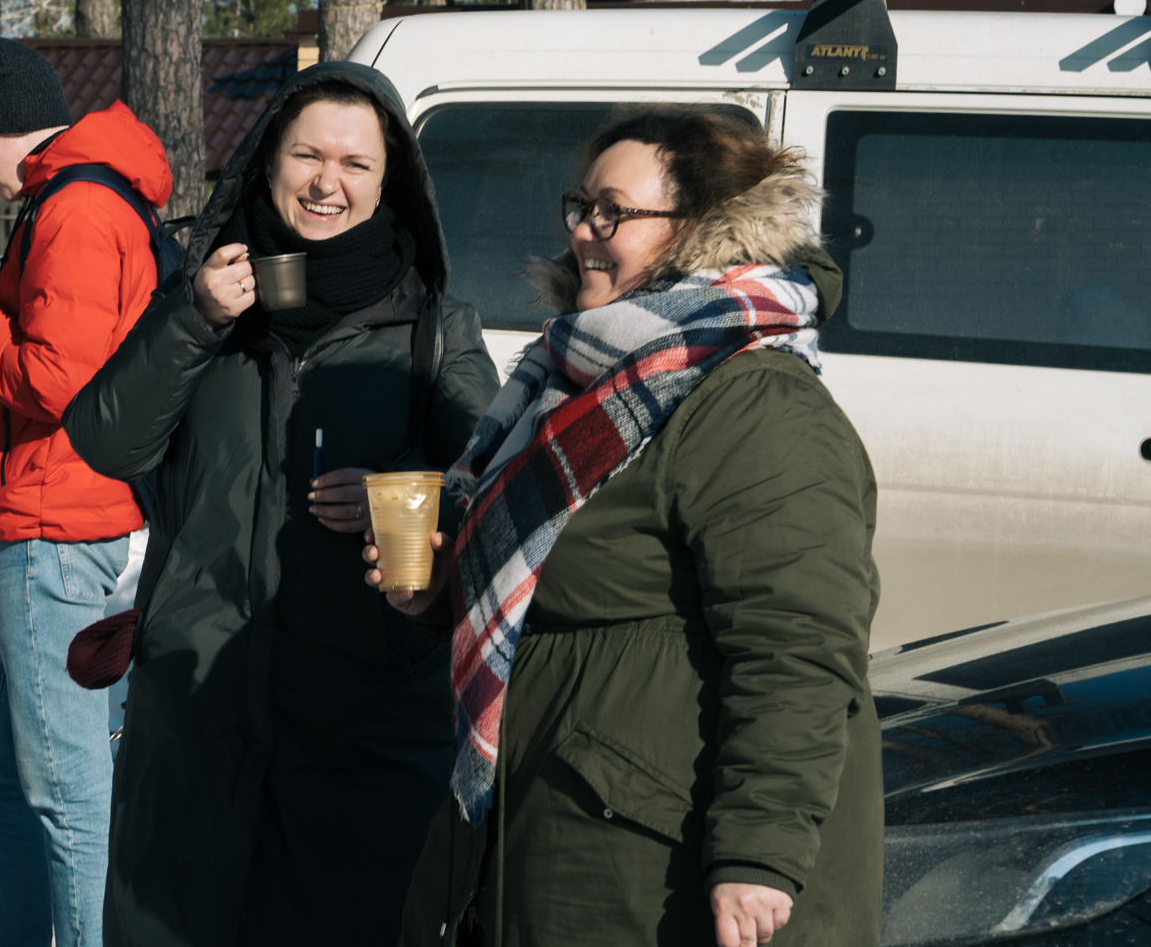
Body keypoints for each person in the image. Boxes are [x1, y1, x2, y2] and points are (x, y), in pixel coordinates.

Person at [378, 105, 881, 947]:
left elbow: (800, 645)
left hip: (657, 857)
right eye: (579, 205)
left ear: (702, 230)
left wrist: (759, 852)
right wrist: (438, 590)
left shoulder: (757, 400)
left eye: (613, 211)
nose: (583, 230)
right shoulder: (575, 377)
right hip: (567, 819)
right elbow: (545, 575)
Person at [60, 64, 499, 947]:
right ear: (267, 165)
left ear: (390, 181)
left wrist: (399, 489)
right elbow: (106, 441)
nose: (327, 181)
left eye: (355, 163)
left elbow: (486, 479)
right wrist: (193, 318)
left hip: (359, 721)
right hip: (198, 707)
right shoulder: (203, 296)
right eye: (306, 154)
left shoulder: (432, 323)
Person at [0, 37, 170, 947]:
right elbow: (62, 329)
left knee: (65, 793)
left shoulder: (77, 209)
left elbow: (54, 379)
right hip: (39, 525)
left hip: (52, 528)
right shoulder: (66, 201)